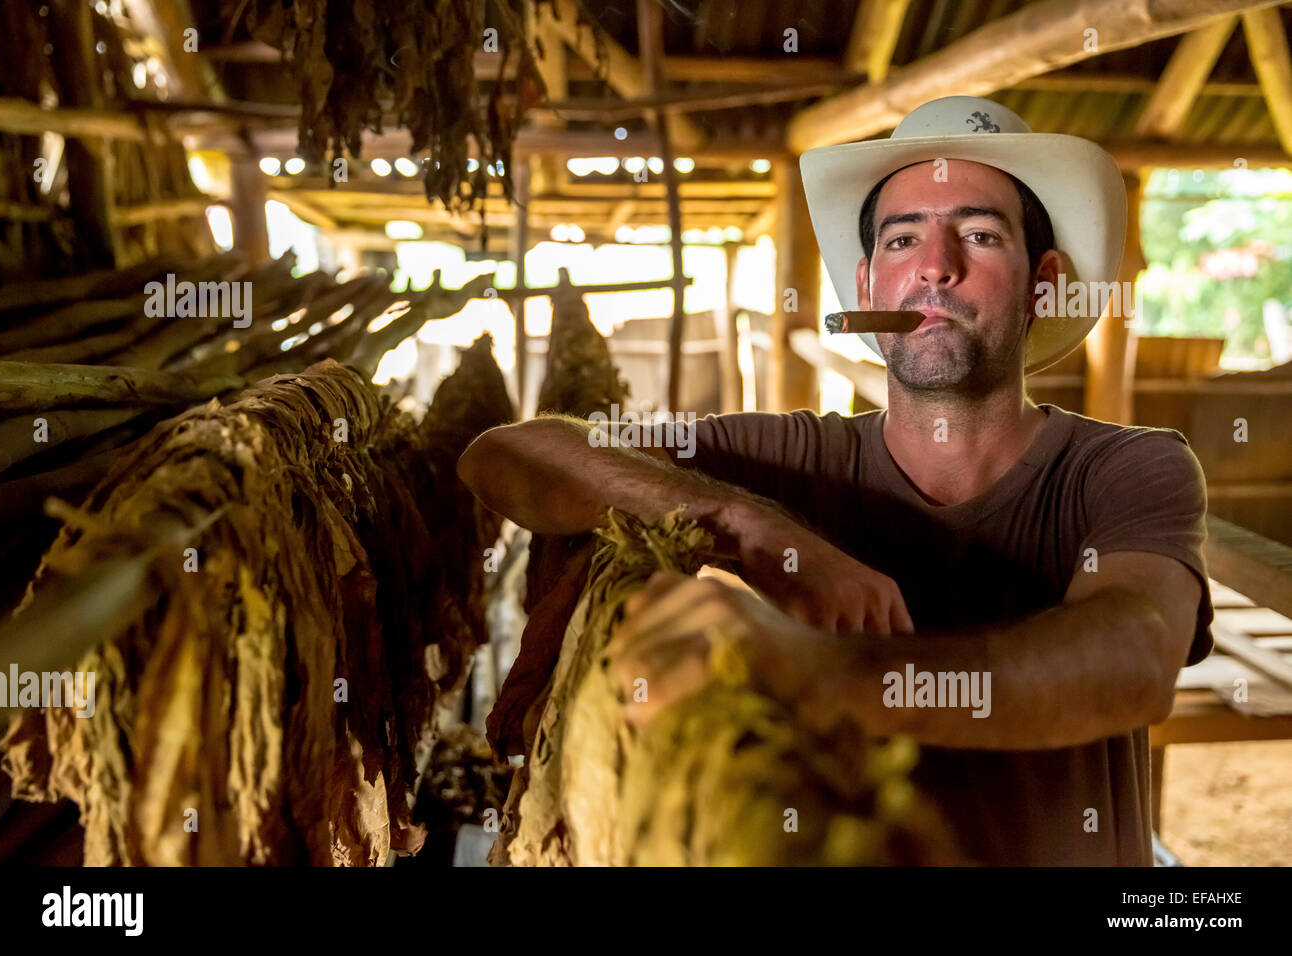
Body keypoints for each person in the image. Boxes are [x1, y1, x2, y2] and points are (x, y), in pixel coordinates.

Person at [457, 96, 1213, 866]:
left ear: (1044, 284)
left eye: (979, 235)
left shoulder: (1128, 468)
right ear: (868, 287)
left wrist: (823, 673)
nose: (935, 266)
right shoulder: (788, 462)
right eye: (902, 239)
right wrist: (750, 527)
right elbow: (509, 456)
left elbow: (1137, 655)